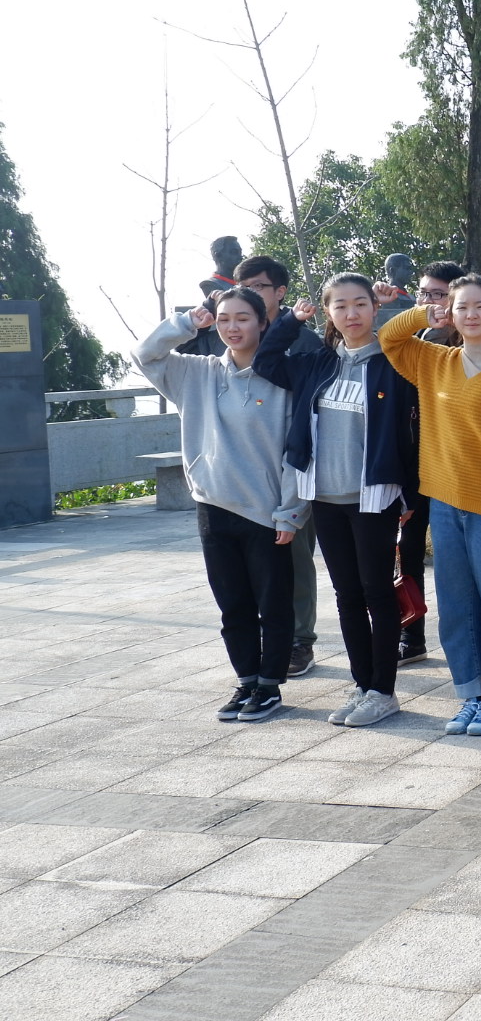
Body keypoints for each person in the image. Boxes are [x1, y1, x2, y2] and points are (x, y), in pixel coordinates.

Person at [378, 275, 481, 737]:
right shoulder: (434, 361)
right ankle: (470, 693)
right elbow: (389, 338)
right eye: (461, 307)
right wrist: (422, 313)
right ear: (450, 314)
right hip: (445, 502)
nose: (471, 314)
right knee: (456, 604)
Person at [255, 273, 421, 728]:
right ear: (328, 312)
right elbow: (266, 361)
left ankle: (383, 691)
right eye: (341, 306)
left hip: (374, 497)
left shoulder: (394, 362)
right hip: (324, 496)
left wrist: (410, 492)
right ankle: (362, 684)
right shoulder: (316, 363)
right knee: (347, 595)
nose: (351, 314)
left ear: (374, 308)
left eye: (360, 304)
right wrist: (291, 320)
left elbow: (414, 430)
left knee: (377, 593)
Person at [134, 288, 307, 723]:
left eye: (243, 318)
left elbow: (298, 451)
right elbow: (144, 355)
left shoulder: (282, 377)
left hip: (267, 511)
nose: (233, 327)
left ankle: (269, 685)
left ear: (263, 323)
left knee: (274, 604)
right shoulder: (196, 372)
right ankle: (246, 679)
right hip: (213, 506)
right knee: (233, 605)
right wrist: (186, 323)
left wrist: (291, 511)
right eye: (225, 318)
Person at [227, 255, 327, 677]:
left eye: (259, 286)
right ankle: (267, 638)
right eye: (242, 286)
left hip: (294, 466)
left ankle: (300, 640)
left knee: (295, 558)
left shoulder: (303, 340)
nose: (250, 294)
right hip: (247, 470)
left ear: (280, 292)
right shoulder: (233, 336)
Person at [391, 259, 468, 669]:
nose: (429, 302)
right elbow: (386, 339)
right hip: (414, 464)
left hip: (456, 467)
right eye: (423, 293)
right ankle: (411, 634)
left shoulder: (469, 343)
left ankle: (473, 641)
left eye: (438, 295)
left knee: (459, 560)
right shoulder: (415, 339)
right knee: (407, 551)